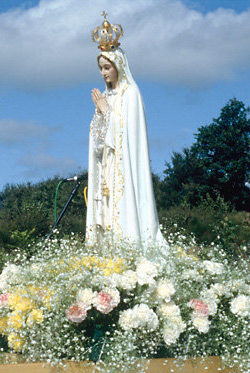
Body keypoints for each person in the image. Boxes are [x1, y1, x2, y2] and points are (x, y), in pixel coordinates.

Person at [86, 14, 162, 245]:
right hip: (106, 167)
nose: (104, 73)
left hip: (123, 167)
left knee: (123, 207)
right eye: (100, 68)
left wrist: (106, 113)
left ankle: (129, 244)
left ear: (118, 66)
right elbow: (97, 141)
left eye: (107, 67)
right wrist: (101, 114)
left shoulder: (131, 94)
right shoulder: (106, 96)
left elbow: (125, 134)